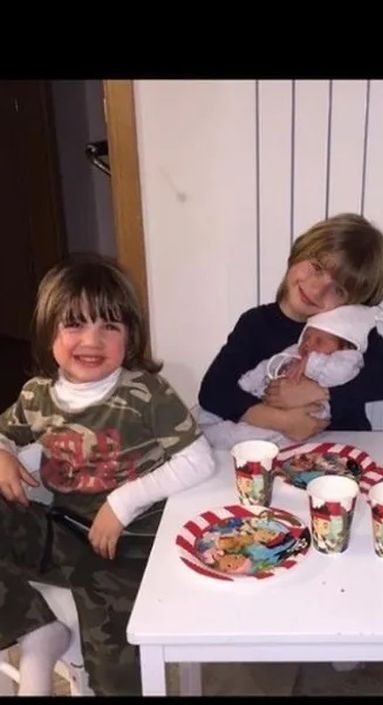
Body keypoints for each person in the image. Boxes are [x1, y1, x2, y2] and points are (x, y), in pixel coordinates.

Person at [0, 255, 216, 695]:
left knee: (116, 670)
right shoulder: (36, 396)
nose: (92, 340)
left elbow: (199, 460)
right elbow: (5, 432)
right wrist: (2, 453)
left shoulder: (145, 393)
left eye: (109, 326)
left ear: (130, 336)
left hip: (130, 546)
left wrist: (121, 504)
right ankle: (36, 631)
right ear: (48, 331)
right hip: (62, 533)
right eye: (74, 324)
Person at [198, 213, 383, 444]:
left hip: (341, 448)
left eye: (338, 290)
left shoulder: (347, 330)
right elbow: (213, 391)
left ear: (353, 303)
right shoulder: (255, 323)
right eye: (317, 267)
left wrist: (321, 392)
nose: (316, 290)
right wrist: (282, 420)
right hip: (276, 451)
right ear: (299, 252)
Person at [197, 304, 383, 451]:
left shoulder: (345, 355)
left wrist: (315, 378)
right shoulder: (265, 329)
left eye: (319, 341)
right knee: (208, 413)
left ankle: (210, 438)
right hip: (264, 407)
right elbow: (267, 366)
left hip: (305, 424)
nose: (308, 344)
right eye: (306, 337)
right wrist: (246, 385)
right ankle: (204, 432)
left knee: (244, 435)